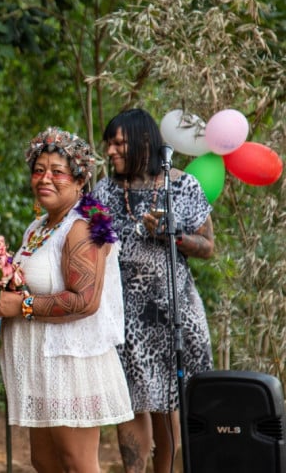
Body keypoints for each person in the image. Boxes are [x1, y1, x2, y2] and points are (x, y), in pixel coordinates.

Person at [0, 126, 134, 473]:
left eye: (57, 171)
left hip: (70, 361)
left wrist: (21, 306)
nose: (45, 178)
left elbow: (85, 300)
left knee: (77, 464)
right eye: (39, 170)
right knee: (44, 462)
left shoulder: (84, 227)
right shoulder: (39, 227)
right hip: (40, 362)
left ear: (78, 181)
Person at [93, 108, 214, 473]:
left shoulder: (181, 185)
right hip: (122, 311)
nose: (111, 152)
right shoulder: (104, 189)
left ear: (143, 141)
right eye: (108, 145)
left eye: (118, 143)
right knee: (129, 397)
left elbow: (208, 246)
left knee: (166, 399)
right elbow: (91, 245)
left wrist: (172, 235)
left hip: (171, 310)